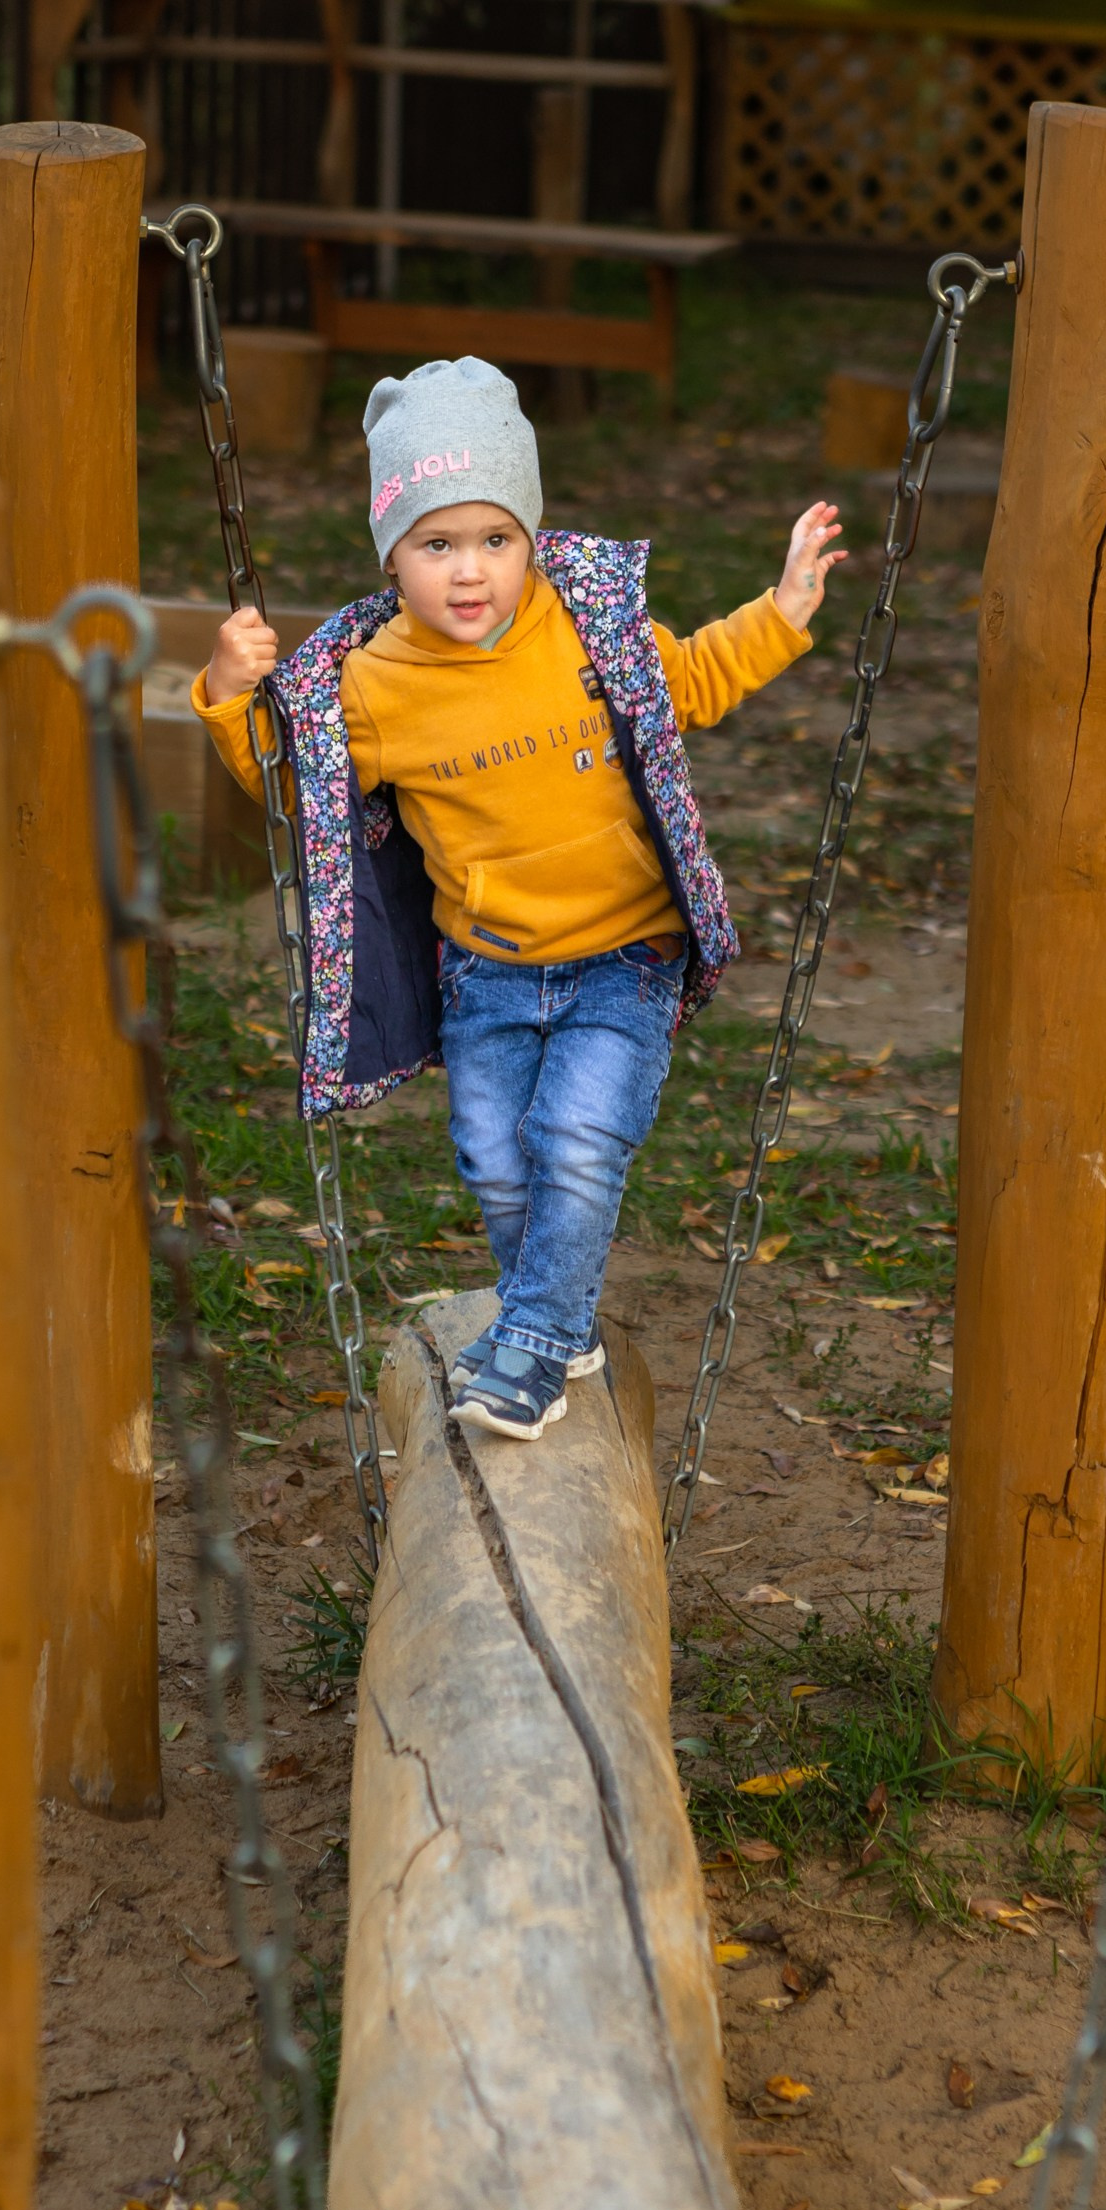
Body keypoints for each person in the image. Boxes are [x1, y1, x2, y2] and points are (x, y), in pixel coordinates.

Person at [193, 354, 843, 1440]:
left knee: (576, 1139)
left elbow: (691, 680)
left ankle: (534, 1342)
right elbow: (290, 784)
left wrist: (780, 611)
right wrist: (226, 689)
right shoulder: (374, 687)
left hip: (626, 956)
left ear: (530, 538)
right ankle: (560, 1321)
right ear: (390, 555)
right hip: (486, 969)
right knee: (497, 1162)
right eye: (435, 544)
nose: (469, 572)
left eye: (496, 539)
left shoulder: (588, 632)